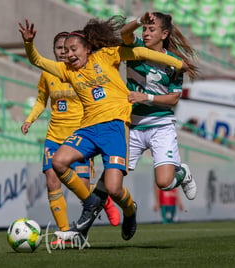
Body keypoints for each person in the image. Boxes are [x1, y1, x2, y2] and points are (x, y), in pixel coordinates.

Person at [18, 15, 188, 242]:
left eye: (73, 49)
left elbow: (139, 53)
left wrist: (177, 63)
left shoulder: (106, 56)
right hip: (87, 129)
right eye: (65, 51)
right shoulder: (67, 70)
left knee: (114, 189)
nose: (69, 54)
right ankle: (90, 203)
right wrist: (29, 44)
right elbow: (37, 61)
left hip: (115, 128)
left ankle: (130, 211)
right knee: (58, 162)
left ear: (88, 48)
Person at [21, 32, 120, 244]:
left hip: (80, 136)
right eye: (59, 49)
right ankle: (65, 233)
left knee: (83, 188)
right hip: (54, 136)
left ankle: (103, 203)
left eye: (67, 49)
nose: (63, 52)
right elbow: (41, 101)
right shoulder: (48, 74)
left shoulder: (81, 71)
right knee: (51, 179)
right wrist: (29, 119)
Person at [120, 12, 198, 205]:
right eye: (144, 29)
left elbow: (173, 99)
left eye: (151, 29)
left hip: (160, 125)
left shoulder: (173, 63)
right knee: (114, 176)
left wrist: (146, 97)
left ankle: (183, 173)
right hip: (133, 124)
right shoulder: (135, 47)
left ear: (163, 34)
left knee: (164, 183)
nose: (146, 33)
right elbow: (124, 33)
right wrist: (139, 20)